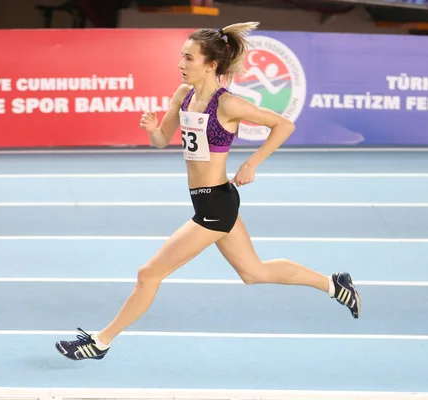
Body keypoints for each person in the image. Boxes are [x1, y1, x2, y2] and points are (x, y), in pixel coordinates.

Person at [55, 21, 361, 361]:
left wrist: (252, 163)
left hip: (215, 205)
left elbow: (284, 124)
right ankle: (335, 285)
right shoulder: (183, 95)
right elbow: (160, 142)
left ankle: (100, 342)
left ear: (210, 65)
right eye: (181, 57)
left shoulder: (228, 104)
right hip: (213, 201)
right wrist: (153, 129)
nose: (180, 64)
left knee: (148, 274)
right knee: (253, 272)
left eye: (188, 58)